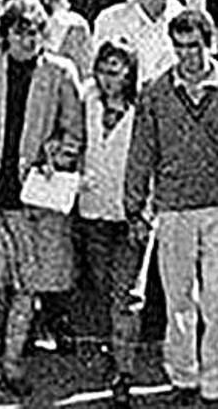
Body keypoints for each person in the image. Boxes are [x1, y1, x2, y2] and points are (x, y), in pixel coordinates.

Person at [0, 0, 84, 397]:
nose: (28, 40)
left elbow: (75, 134)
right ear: (6, 34)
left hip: (34, 200)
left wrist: (56, 154)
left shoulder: (61, 73)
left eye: (35, 32)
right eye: (20, 32)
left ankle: (11, 360)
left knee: (28, 285)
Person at [126, 8, 218, 405]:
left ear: (209, 44)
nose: (187, 56)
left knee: (217, 300)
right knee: (179, 300)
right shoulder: (156, 91)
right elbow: (141, 152)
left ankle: (215, 383)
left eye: (194, 46)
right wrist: (134, 207)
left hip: (217, 206)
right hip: (174, 207)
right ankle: (183, 378)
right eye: (179, 47)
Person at [76, 42, 142, 408]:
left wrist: (145, 211)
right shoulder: (87, 99)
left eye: (115, 72)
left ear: (129, 73)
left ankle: (124, 372)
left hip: (130, 214)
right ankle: (112, 350)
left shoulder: (142, 107)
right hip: (93, 209)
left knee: (125, 295)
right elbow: (75, 140)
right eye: (103, 70)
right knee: (102, 288)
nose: (108, 79)